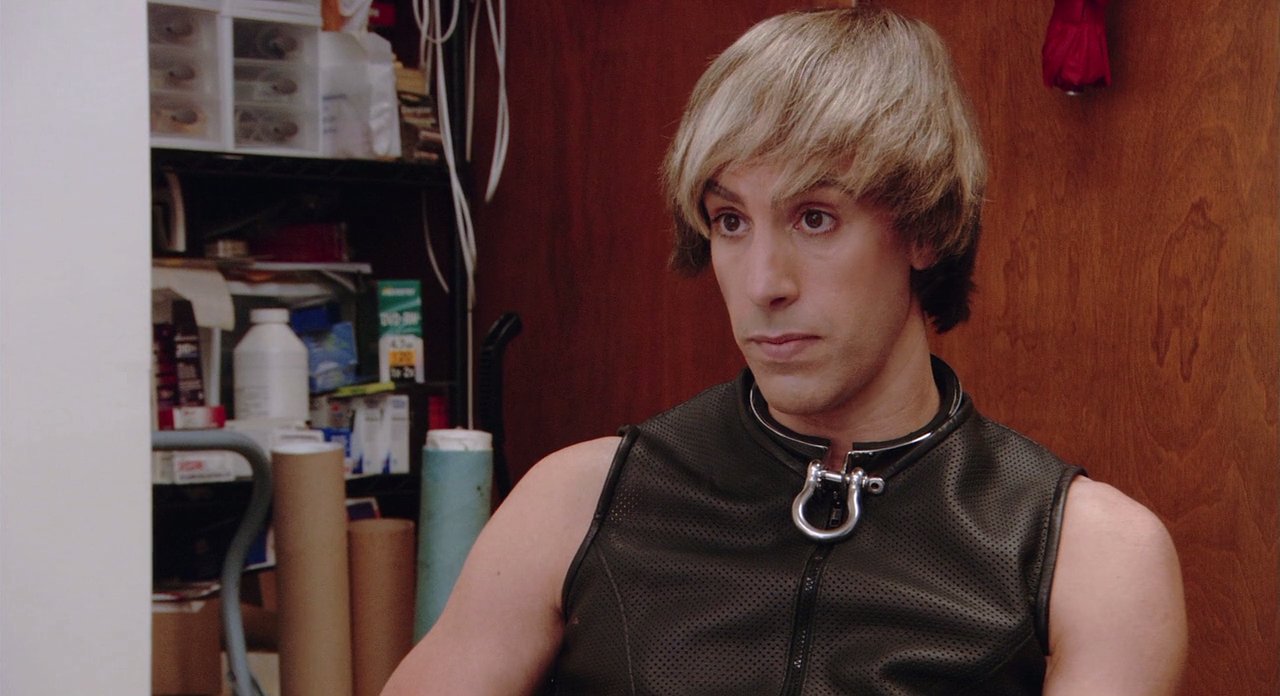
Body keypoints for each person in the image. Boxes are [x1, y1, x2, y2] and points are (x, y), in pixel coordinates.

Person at [382, 6, 1187, 695]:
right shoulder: (574, 504)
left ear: (927, 230)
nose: (763, 283)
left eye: (815, 218)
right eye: (730, 220)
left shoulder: (1090, 556)